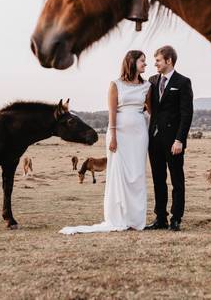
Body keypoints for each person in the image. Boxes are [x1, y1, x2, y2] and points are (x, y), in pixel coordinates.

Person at [60, 50, 151, 234]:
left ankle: (136, 219)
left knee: (137, 174)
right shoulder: (115, 84)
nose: (145, 65)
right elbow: (112, 113)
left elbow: (150, 111)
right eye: (142, 61)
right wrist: (114, 136)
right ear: (132, 62)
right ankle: (119, 216)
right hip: (120, 135)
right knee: (120, 173)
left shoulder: (147, 86)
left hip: (139, 135)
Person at [145, 46, 193, 232]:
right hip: (154, 140)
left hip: (174, 141)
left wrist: (179, 140)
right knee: (158, 179)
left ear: (168, 61)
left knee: (176, 179)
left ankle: (176, 218)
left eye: (157, 60)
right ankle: (160, 218)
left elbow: (186, 114)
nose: (154, 63)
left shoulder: (183, 82)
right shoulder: (152, 81)